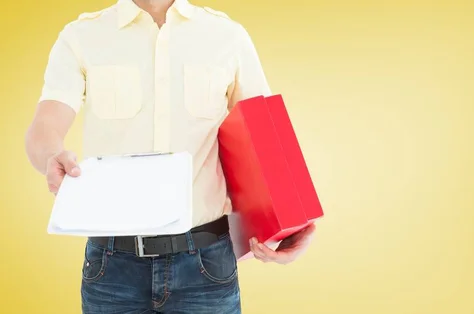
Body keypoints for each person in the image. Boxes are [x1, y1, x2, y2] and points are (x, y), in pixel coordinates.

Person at [24, 0, 316, 313]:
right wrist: (51, 155)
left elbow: (268, 137)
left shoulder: (227, 35)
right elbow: (45, 125)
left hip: (206, 263)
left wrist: (294, 225)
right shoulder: (81, 36)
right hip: (112, 267)